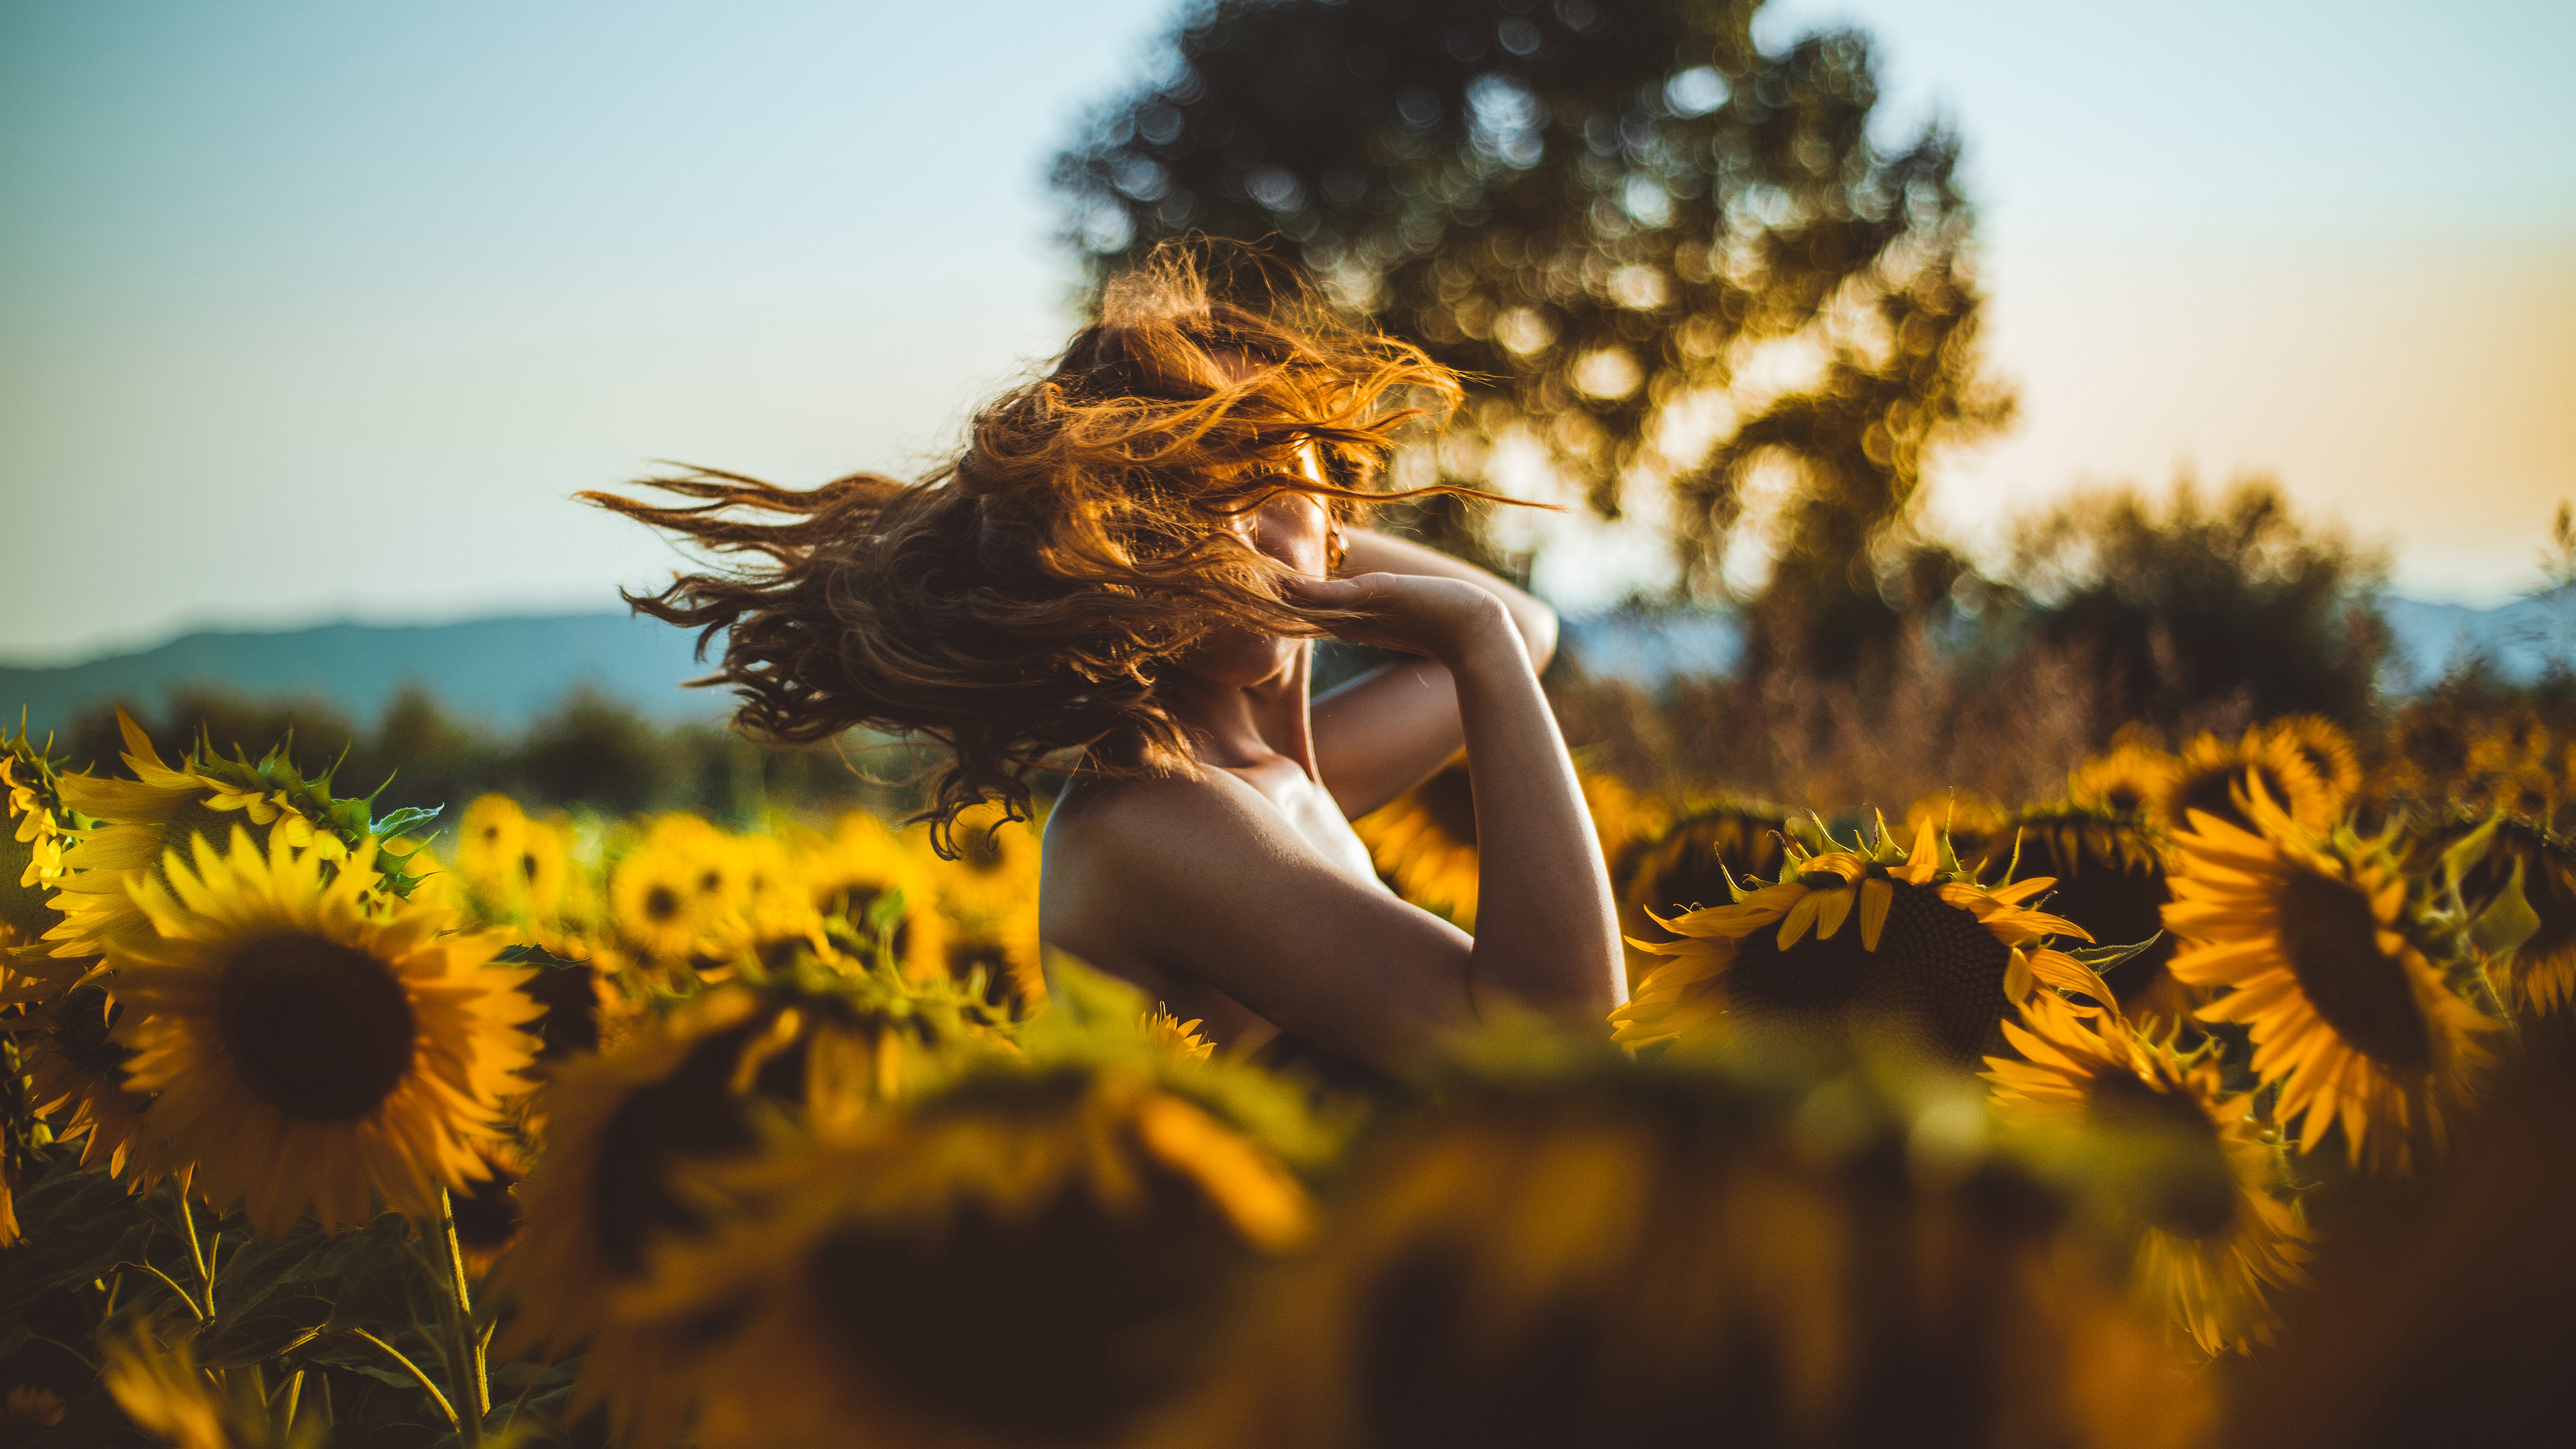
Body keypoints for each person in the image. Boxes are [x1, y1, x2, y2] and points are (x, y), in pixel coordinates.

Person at [586, 254, 1622, 1076]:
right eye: (1182, 491)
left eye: (1266, 467)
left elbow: (1525, 626)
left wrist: (1333, 542)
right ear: (1109, 546)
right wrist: (1461, 637)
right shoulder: (1157, 818)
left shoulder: (1274, 779)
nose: (1235, 524)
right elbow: (1553, 1048)